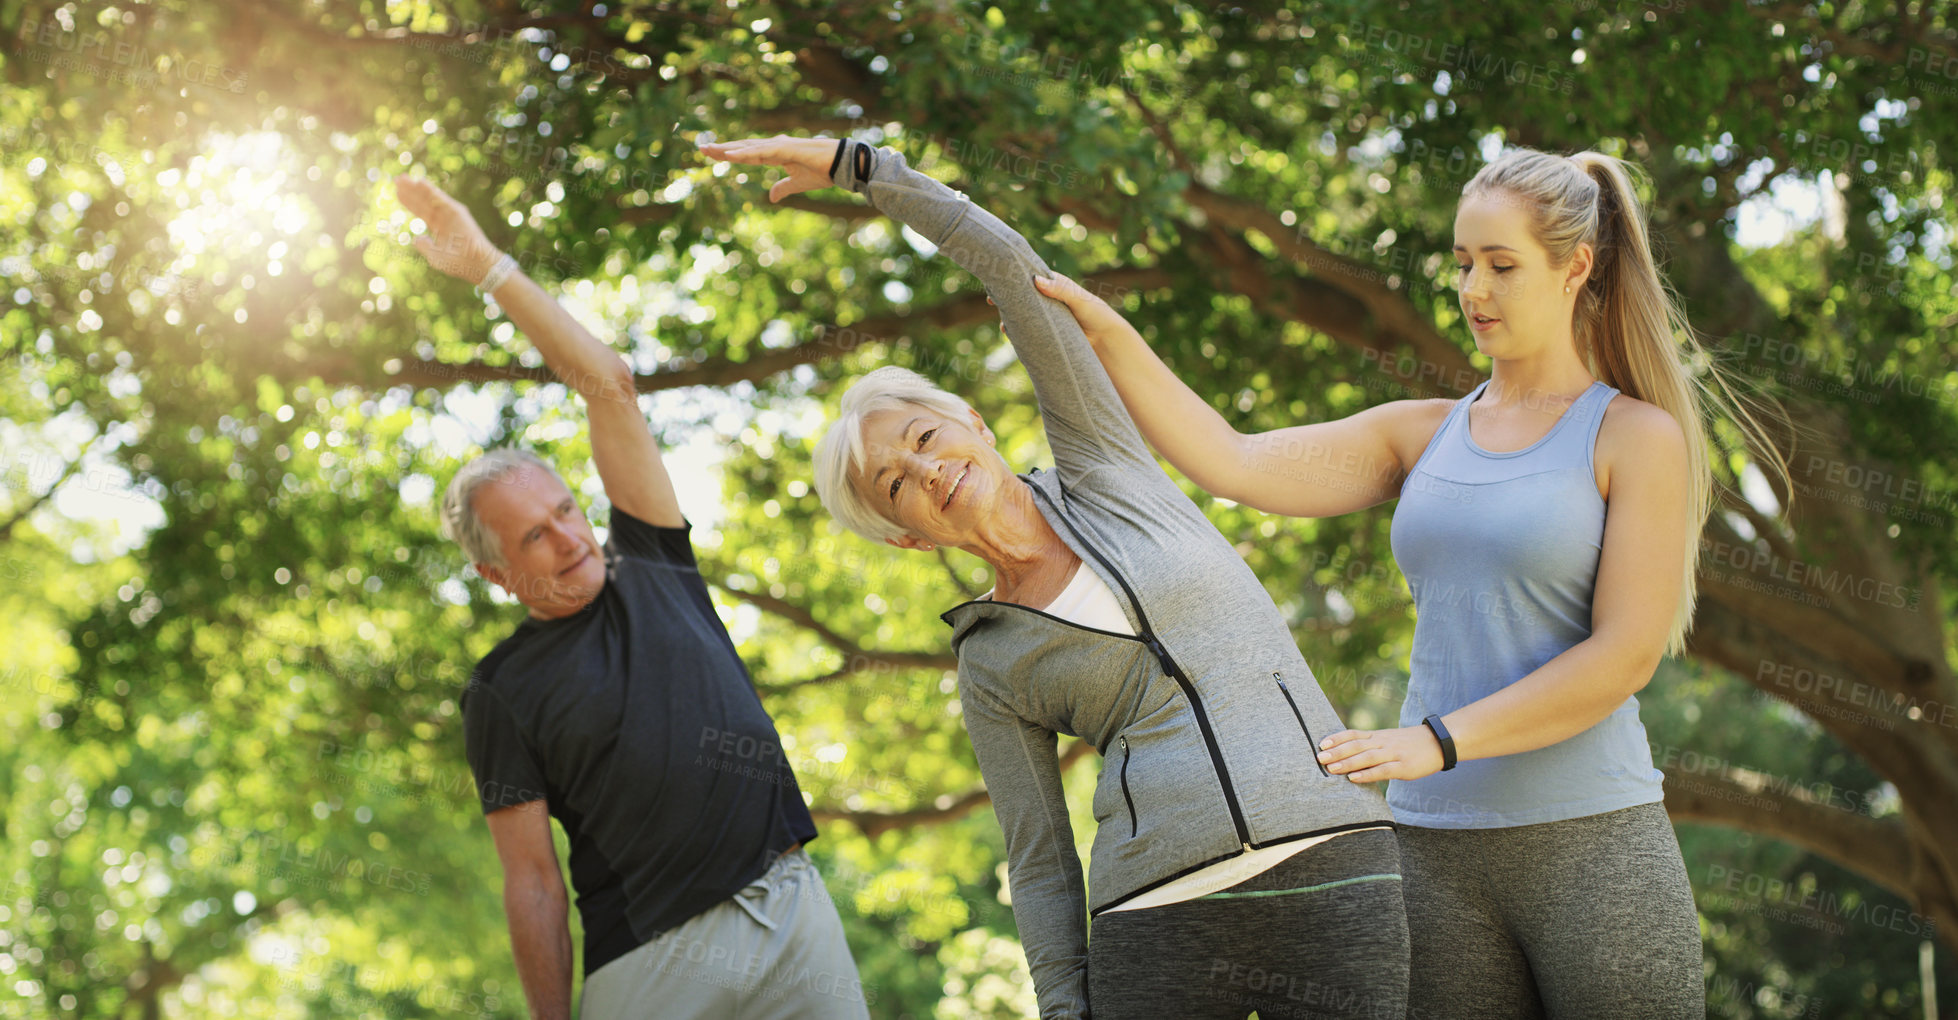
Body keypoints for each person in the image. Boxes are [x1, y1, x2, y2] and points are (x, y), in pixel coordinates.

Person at [1036, 148, 1790, 1018]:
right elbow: (1232, 461)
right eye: (1464, 263)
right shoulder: (1421, 434)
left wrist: (1435, 740)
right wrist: (1107, 336)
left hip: (1592, 844)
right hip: (1430, 850)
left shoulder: (1635, 436)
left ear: (1575, 266)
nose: (1474, 290)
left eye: (1502, 266)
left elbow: (1623, 657)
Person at [700, 135, 1409, 1020]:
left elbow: (1010, 270)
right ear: (907, 537)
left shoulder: (1103, 465)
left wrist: (867, 172)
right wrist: (1065, 1006)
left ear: (972, 424)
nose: (926, 473)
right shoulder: (990, 662)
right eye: (895, 486)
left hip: (1330, 852)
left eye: (925, 439)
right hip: (1152, 914)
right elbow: (1036, 857)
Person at [396, 176, 869, 1020]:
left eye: (565, 510)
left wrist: (488, 268)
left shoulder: (652, 560)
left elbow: (607, 382)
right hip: (651, 962)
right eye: (534, 536)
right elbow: (532, 880)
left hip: (789, 907)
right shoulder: (501, 691)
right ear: (496, 575)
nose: (570, 538)